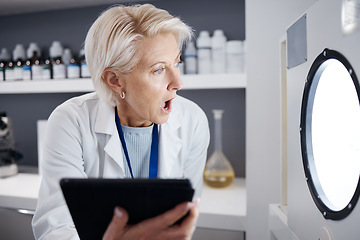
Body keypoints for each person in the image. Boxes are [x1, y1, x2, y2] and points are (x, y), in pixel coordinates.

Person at [32, 4, 210, 240]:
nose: (178, 82)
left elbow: (183, 219)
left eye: (176, 63)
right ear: (115, 80)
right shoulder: (70, 121)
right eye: (159, 70)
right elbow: (56, 228)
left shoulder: (193, 121)